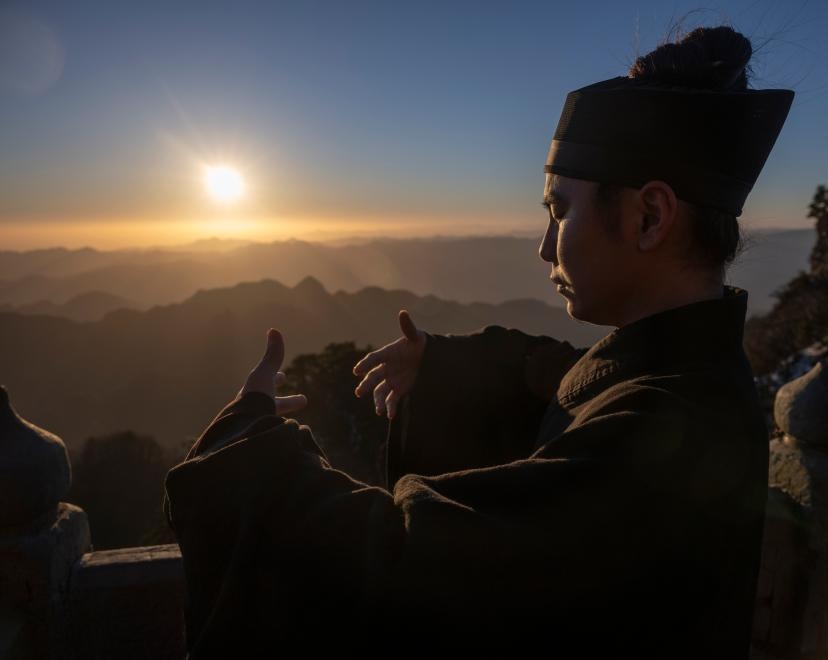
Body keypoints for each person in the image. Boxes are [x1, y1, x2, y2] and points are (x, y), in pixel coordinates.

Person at [163, 24, 794, 658]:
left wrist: (248, 456)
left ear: (649, 217)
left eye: (560, 211)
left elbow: (407, 564)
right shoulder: (687, 378)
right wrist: (444, 368)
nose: (545, 246)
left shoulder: (670, 428)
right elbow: (566, 382)